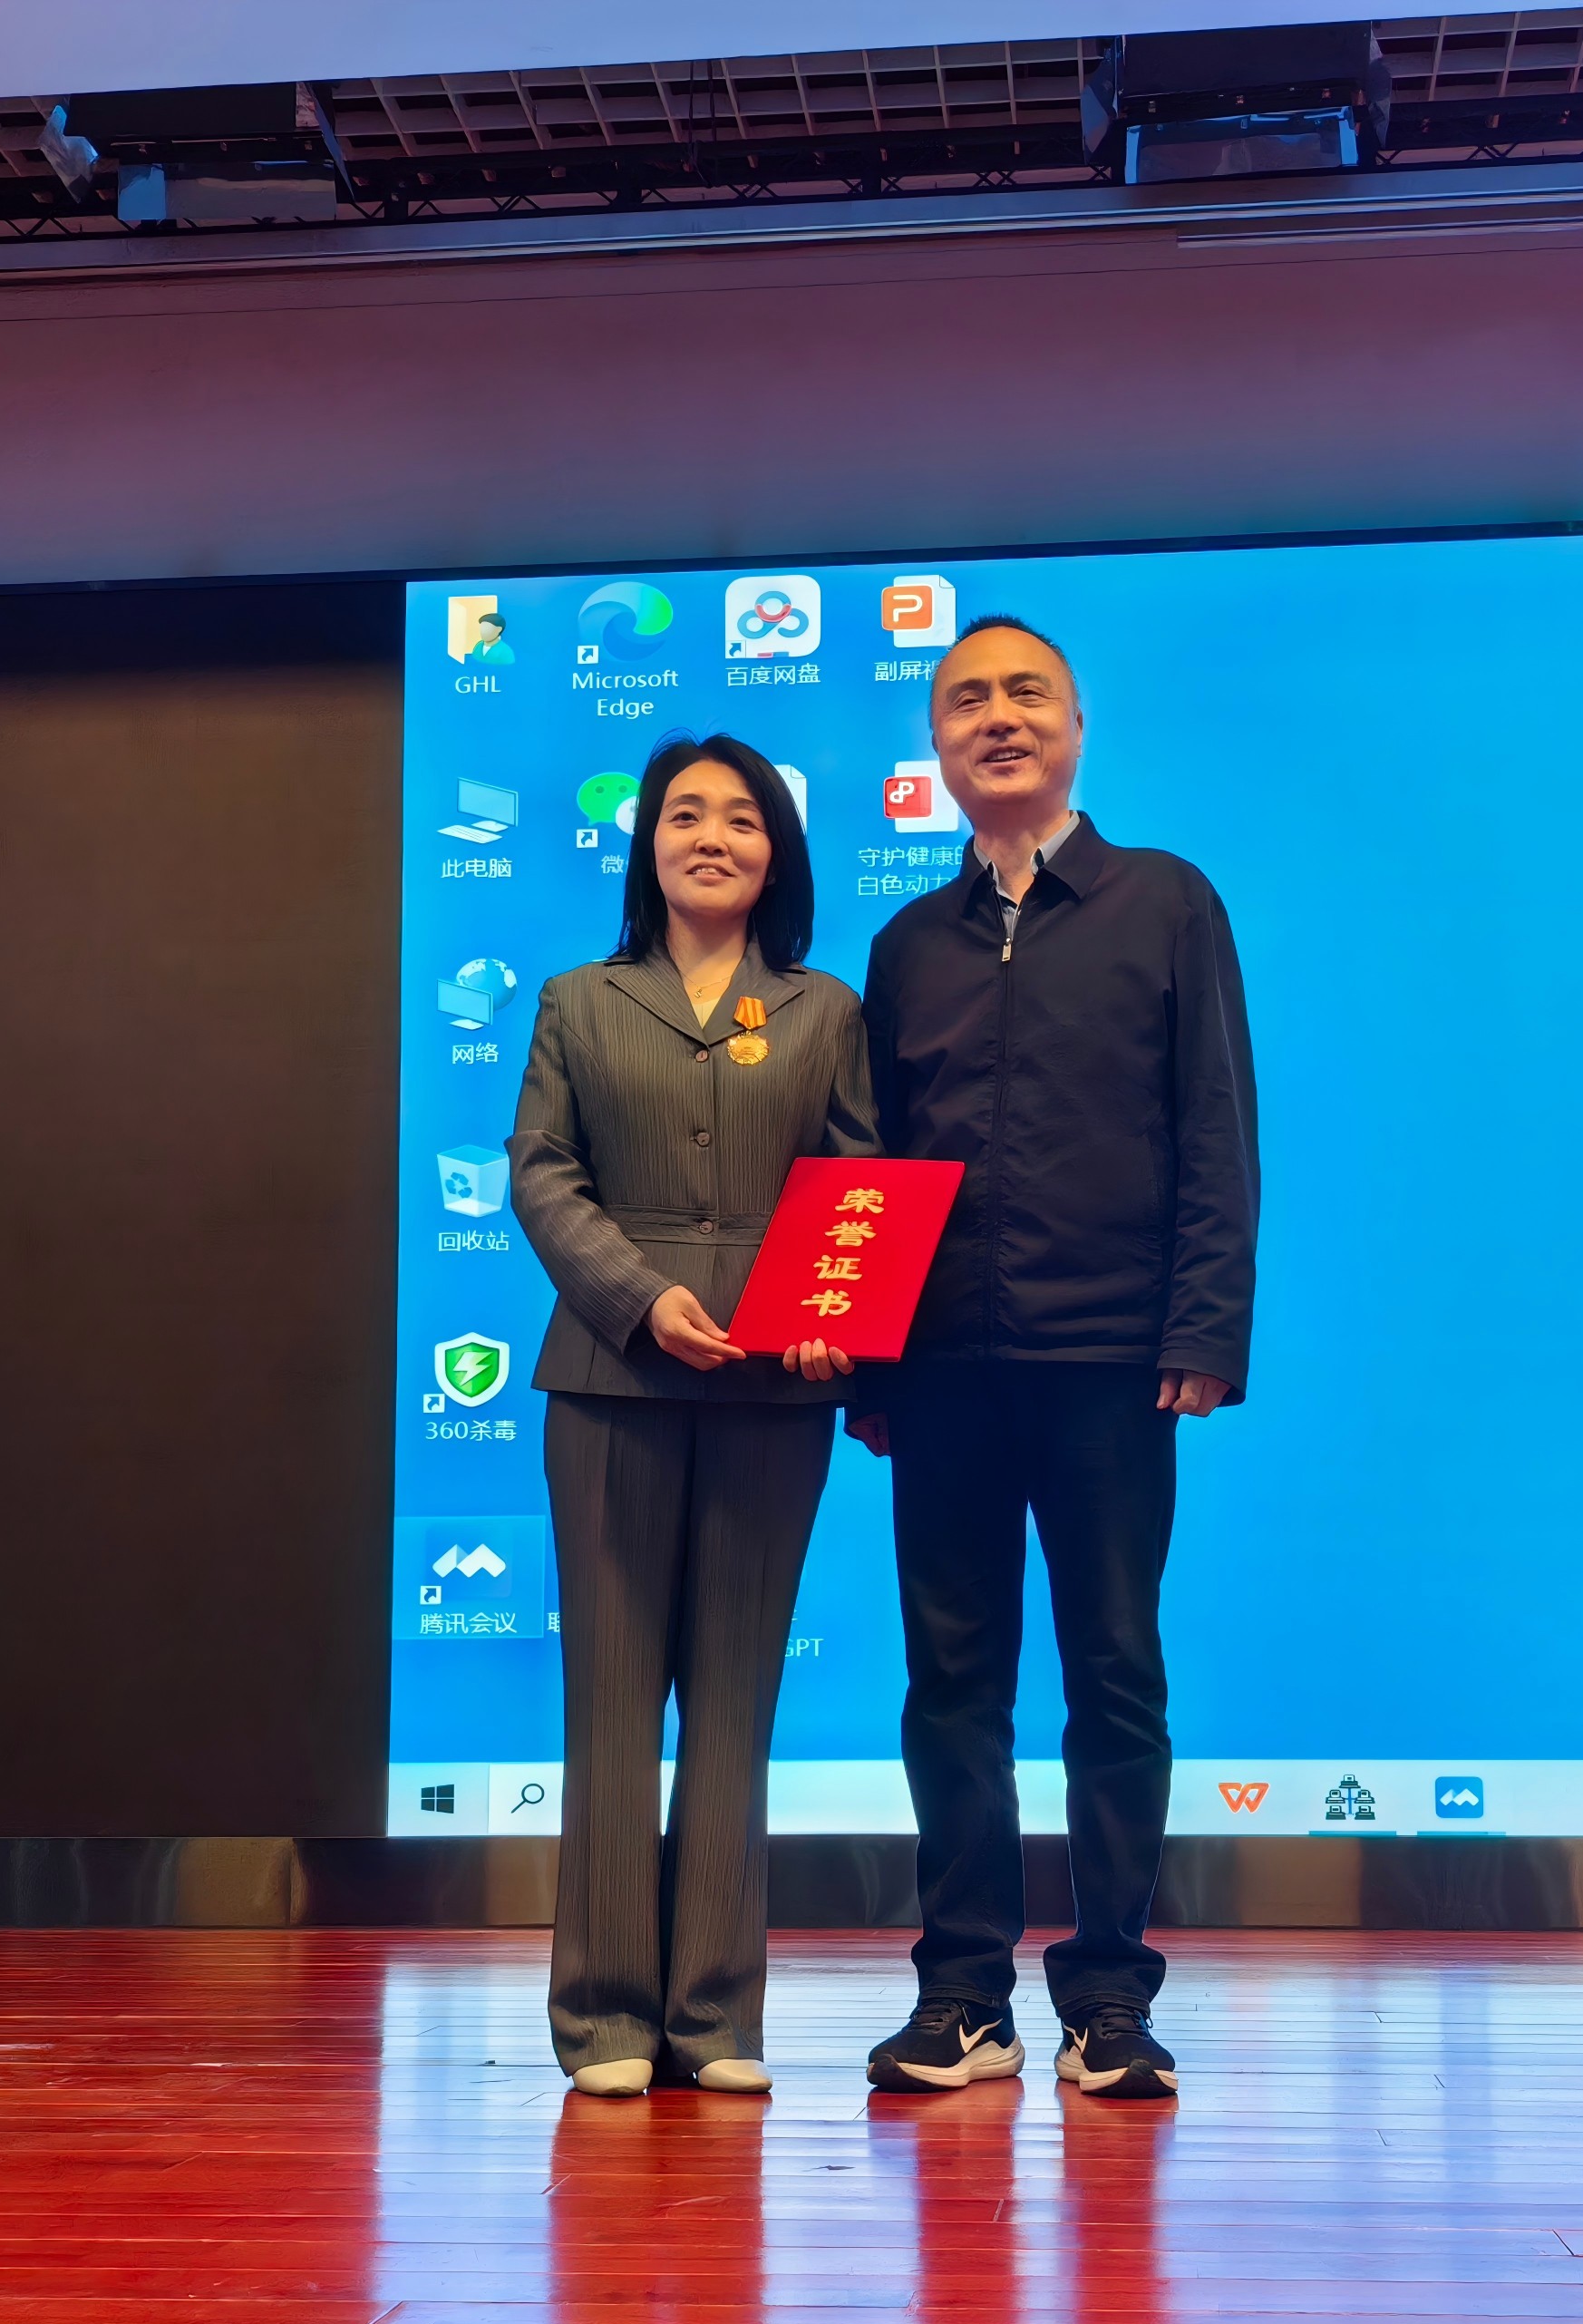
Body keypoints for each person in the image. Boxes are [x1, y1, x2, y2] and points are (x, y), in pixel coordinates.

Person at [856, 617, 1258, 2103]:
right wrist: (874, 1370)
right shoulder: (907, 947)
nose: (998, 718)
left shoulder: (1167, 902)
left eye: (1027, 694)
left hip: (1111, 1365)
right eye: (967, 701)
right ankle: (962, 1995)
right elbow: (875, 1166)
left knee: (1115, 1680)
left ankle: (1108, 1998)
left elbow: (1216, 1126)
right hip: (943, 1375)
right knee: (950, 1689)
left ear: (1077, 728)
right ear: (939, 745)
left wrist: (1203, 1329)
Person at [510, 734, 872, 2097]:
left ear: (778, 854)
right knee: (611, 1699)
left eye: (741, 819)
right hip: (612, 1379)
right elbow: (542, 1174)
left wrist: (837, 1318)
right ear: (647, 844)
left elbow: (858, 1185)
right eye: (684, 815)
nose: (711, 836)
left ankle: (716, 2016)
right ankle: (605, 2019)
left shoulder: (826, 1009)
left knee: (735, 1701)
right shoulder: (578, 1000)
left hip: (775, 1387)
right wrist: (639, 1296)